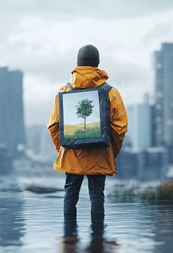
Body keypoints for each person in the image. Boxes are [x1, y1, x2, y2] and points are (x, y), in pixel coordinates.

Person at [47, 44, 128, 222]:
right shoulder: (111, 92)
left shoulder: (64, 91)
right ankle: (98, 241)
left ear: (78, 63)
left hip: (72, 153)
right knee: (97, 195)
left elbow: (53, 125)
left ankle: (68, 241)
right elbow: (120, 127)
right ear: (98, 64)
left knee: (70, 194)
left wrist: (63, 147)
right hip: (100, 153)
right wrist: (111, 150)